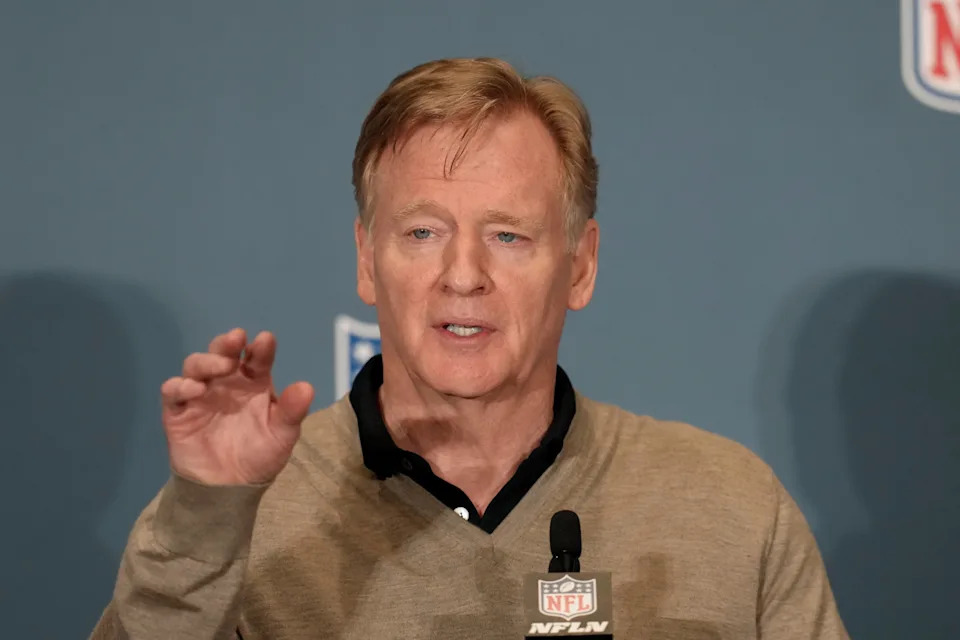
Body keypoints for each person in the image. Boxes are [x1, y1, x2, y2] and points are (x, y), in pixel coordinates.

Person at [90, 57, 849, 639]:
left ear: (579, 265)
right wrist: (209, 515)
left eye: (507, 236)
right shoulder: (242, 514)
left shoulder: (730, 508)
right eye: (423, 232)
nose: (463, 276)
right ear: (365, 259)